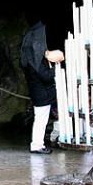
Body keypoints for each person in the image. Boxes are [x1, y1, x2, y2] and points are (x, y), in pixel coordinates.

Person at [20, 21, 64, 154]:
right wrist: (56, 67)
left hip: (39, 95)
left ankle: (38, 144)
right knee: (41, 121)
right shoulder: (35, 63)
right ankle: (37, 145)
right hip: (42, 95)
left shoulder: (29, 61)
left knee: (40, 120)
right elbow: (45, 76)